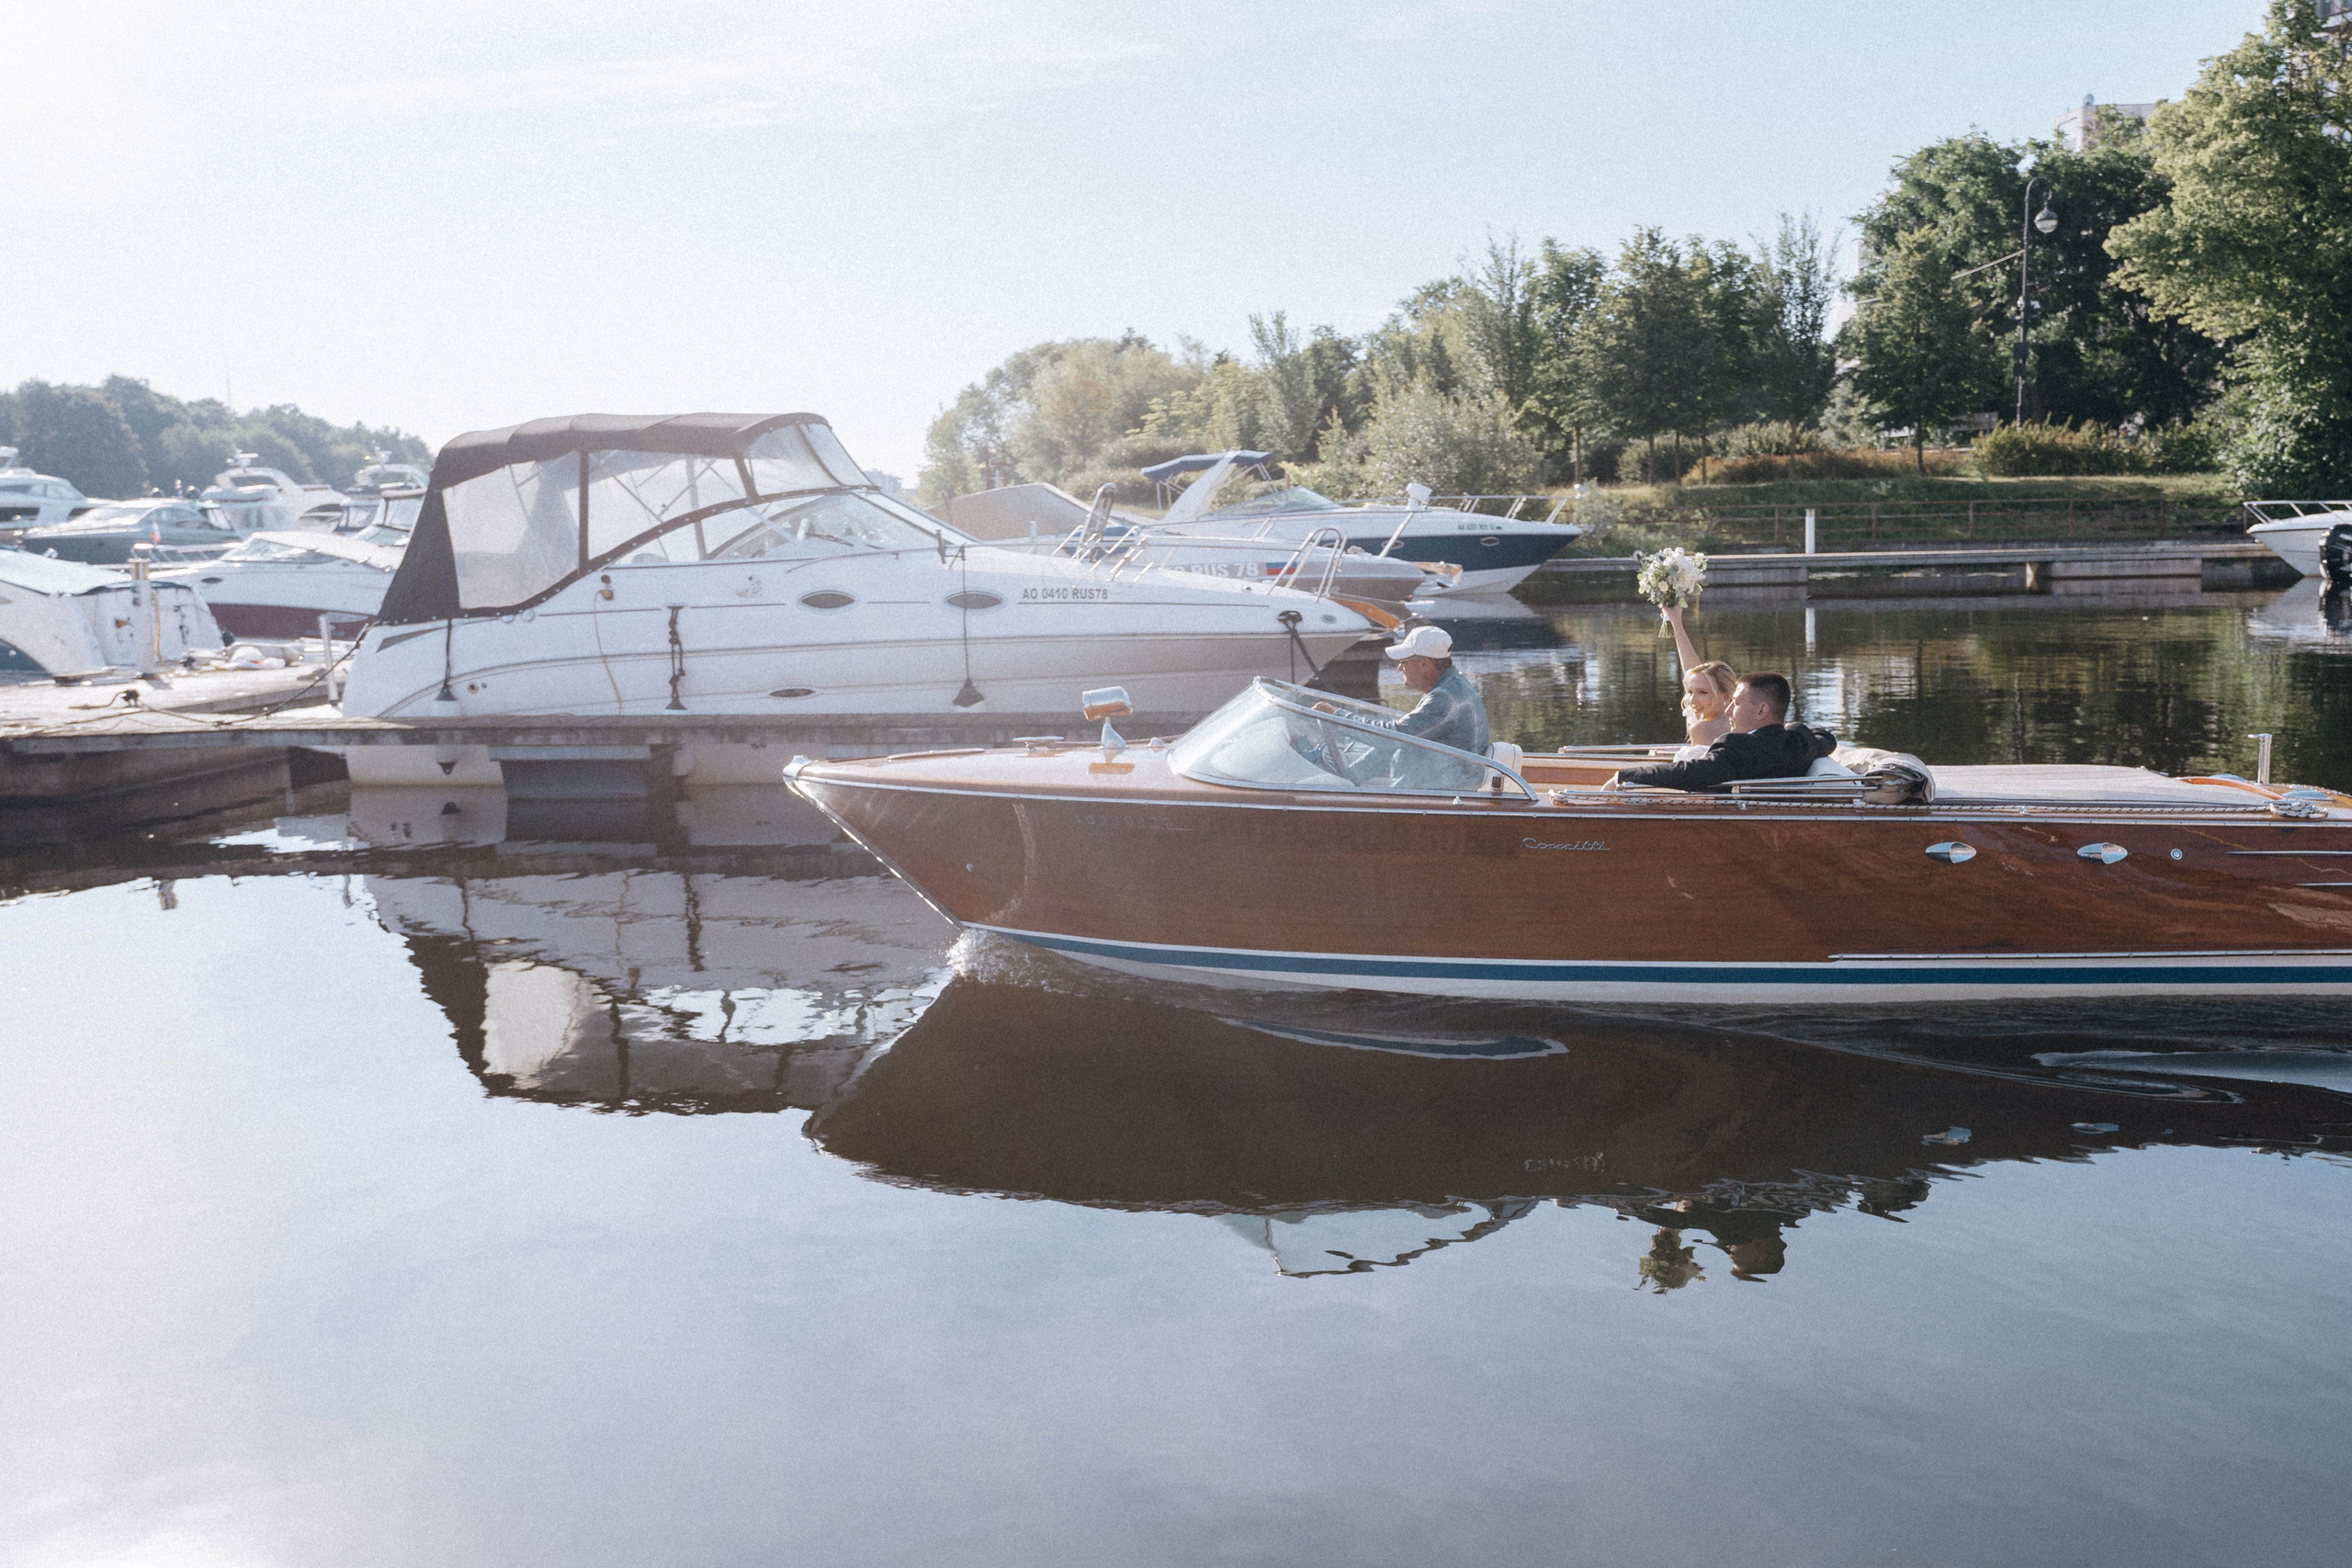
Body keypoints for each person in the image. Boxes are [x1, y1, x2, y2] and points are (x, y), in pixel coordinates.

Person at [1610, 671, 1836, 791]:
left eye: (1735, 704)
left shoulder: (1737, 748)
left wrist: (1626, 776)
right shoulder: (1800, 743)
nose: (1727, 710)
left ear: (1762, 711)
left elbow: (1692, 772)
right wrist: (1788, 729)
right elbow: (1826, 738)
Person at [1385, 625, 1489, 755]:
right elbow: (1398, 739)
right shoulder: (1449, 686)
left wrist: (1351, 721)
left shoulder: (1444, 697)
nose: (1400, 668)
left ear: (1424, 663)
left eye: (1403, 661)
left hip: (1453, 775)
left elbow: (1394, 737)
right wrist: (1354, 770)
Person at [1663, 603, 1737, 745]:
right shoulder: (1744, 720)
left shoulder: (1702, 729)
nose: (1692, 701)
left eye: (1702, 693)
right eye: (1690, 692)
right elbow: (1694, 674)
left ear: (1726, 697)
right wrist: (1677, 625)